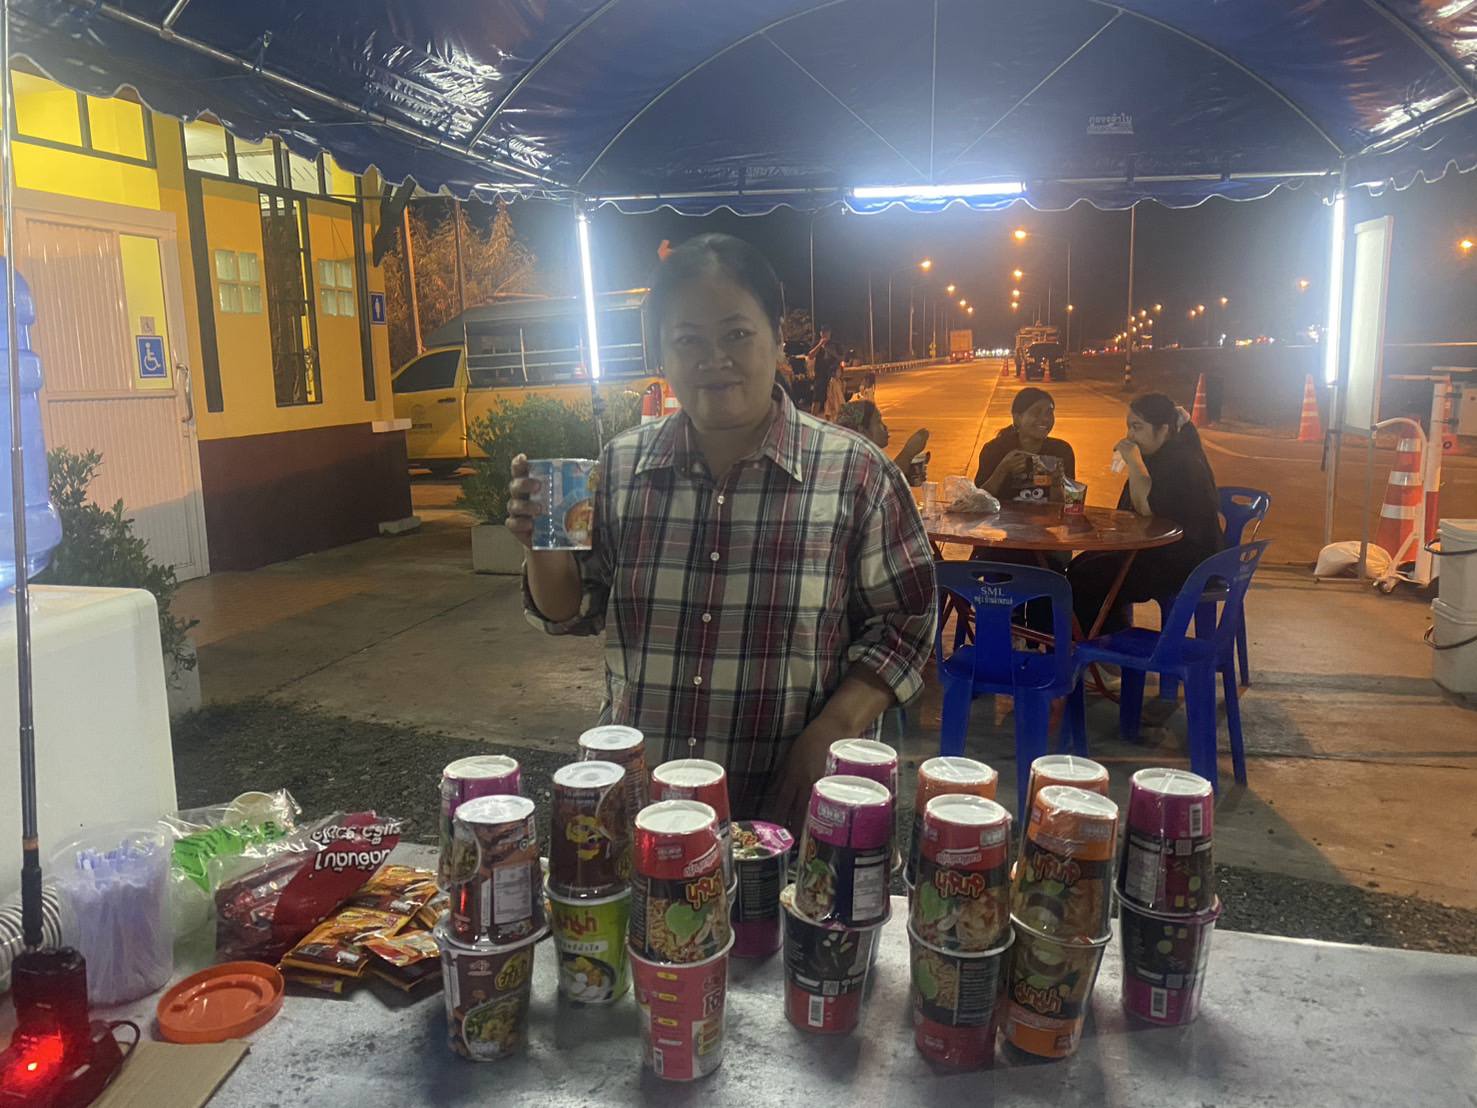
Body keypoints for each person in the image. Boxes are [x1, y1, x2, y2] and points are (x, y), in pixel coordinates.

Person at [508, 234, 936, 829]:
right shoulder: (621, 467)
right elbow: (569, 611)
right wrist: (541, 544)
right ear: (661, 353)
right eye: (688, 340)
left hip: (792, 806)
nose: (714, 359)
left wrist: (833, 729)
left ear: (778, 339)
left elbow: (906, 624)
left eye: (736, 333)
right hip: (644, 811)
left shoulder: (856, 474)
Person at [1067, 392, 1223, 633]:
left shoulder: (1180, 462)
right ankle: (1106, 638)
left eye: (1137, 427)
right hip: (1162, 551)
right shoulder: (1159, 455)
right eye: (1129, 427)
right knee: (1080, 565)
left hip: (1186, 561)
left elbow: (1146, 510)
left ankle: (1104, 645)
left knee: (1089, 578)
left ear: (1163, 430)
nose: (1130, 435)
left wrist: (1133, 462)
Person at [974, 386, 1076, 503]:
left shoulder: (1061, 451)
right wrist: (1002, 470)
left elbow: (1070, 505)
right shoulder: (994, 450)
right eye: (1036, 413)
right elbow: (977, 502)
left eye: (1049, 413)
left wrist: (1056, 485)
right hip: (1002, 515)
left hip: (1046, 515)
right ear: (1017, 418)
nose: (1045, 419)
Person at [835, 399, 929, 473]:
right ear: (862, 430)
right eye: (878, 422)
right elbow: (885, 482)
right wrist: (908, 453)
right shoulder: (854, 463)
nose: (885, 427)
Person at [808, 325, 842, 417]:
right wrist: (820, 344)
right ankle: (813, 418)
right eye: (823, 332)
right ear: (820, 333)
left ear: (830, 333)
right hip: (820, 376)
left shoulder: (835, 344)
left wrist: (838, 370)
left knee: (833, 399)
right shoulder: (816, 344)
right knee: (817, 399)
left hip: (832, 376)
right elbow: (810, 356)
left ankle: (833, 420)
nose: (825, 334)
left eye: (827, 332)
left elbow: (840, 358)